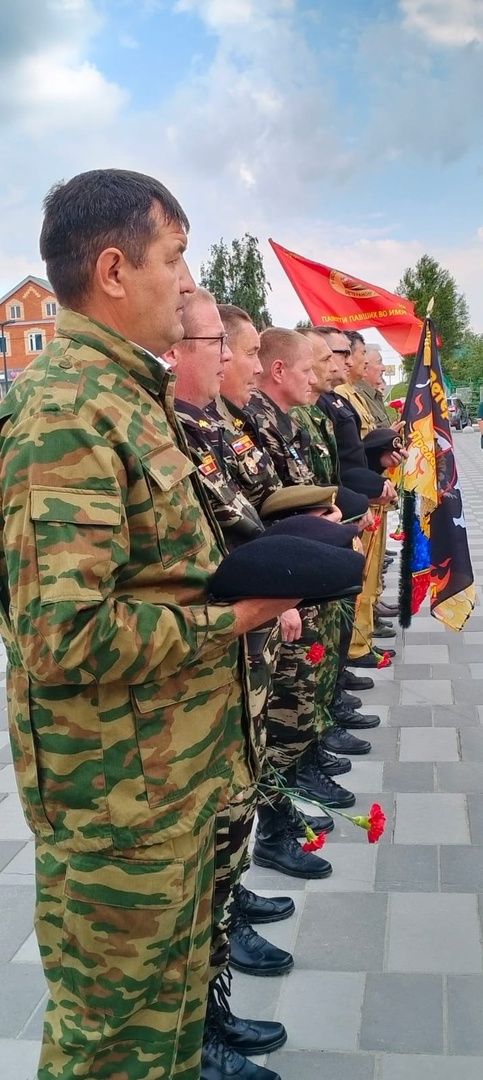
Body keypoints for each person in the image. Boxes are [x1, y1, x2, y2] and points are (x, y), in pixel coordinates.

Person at [0, 169, 296, 1080]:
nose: (187, 278)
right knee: (112, 1051)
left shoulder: (130, 396)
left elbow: (160, 569)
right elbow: (64, 636)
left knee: (163, 1039)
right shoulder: (66, 411)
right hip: (116, 810)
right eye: (176, 258)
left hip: (167, 788)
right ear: (116, 270)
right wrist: (233, 614)